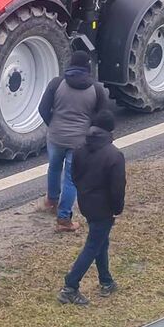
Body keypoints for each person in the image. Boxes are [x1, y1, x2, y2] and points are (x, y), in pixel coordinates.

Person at [58, 109, 126, 306]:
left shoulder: (80, 149)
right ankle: (70, 287)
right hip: (104, 208)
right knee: (93, 246)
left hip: (86, 203)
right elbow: (117, 188)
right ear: (110, 130)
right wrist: (117, 209)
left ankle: (106, 281)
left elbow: (75, 176)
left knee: (100, 242)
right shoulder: (114, 155)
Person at [39, 50, 112, 233]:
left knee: (54, 168)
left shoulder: (57, 83)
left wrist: (53, 124)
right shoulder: (96, 89)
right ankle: (64, 219)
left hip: (55, 137)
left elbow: (43, 108)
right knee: (71, 179)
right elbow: (102, 117)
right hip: (79, 142)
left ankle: (51, 202)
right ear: (87, 67)